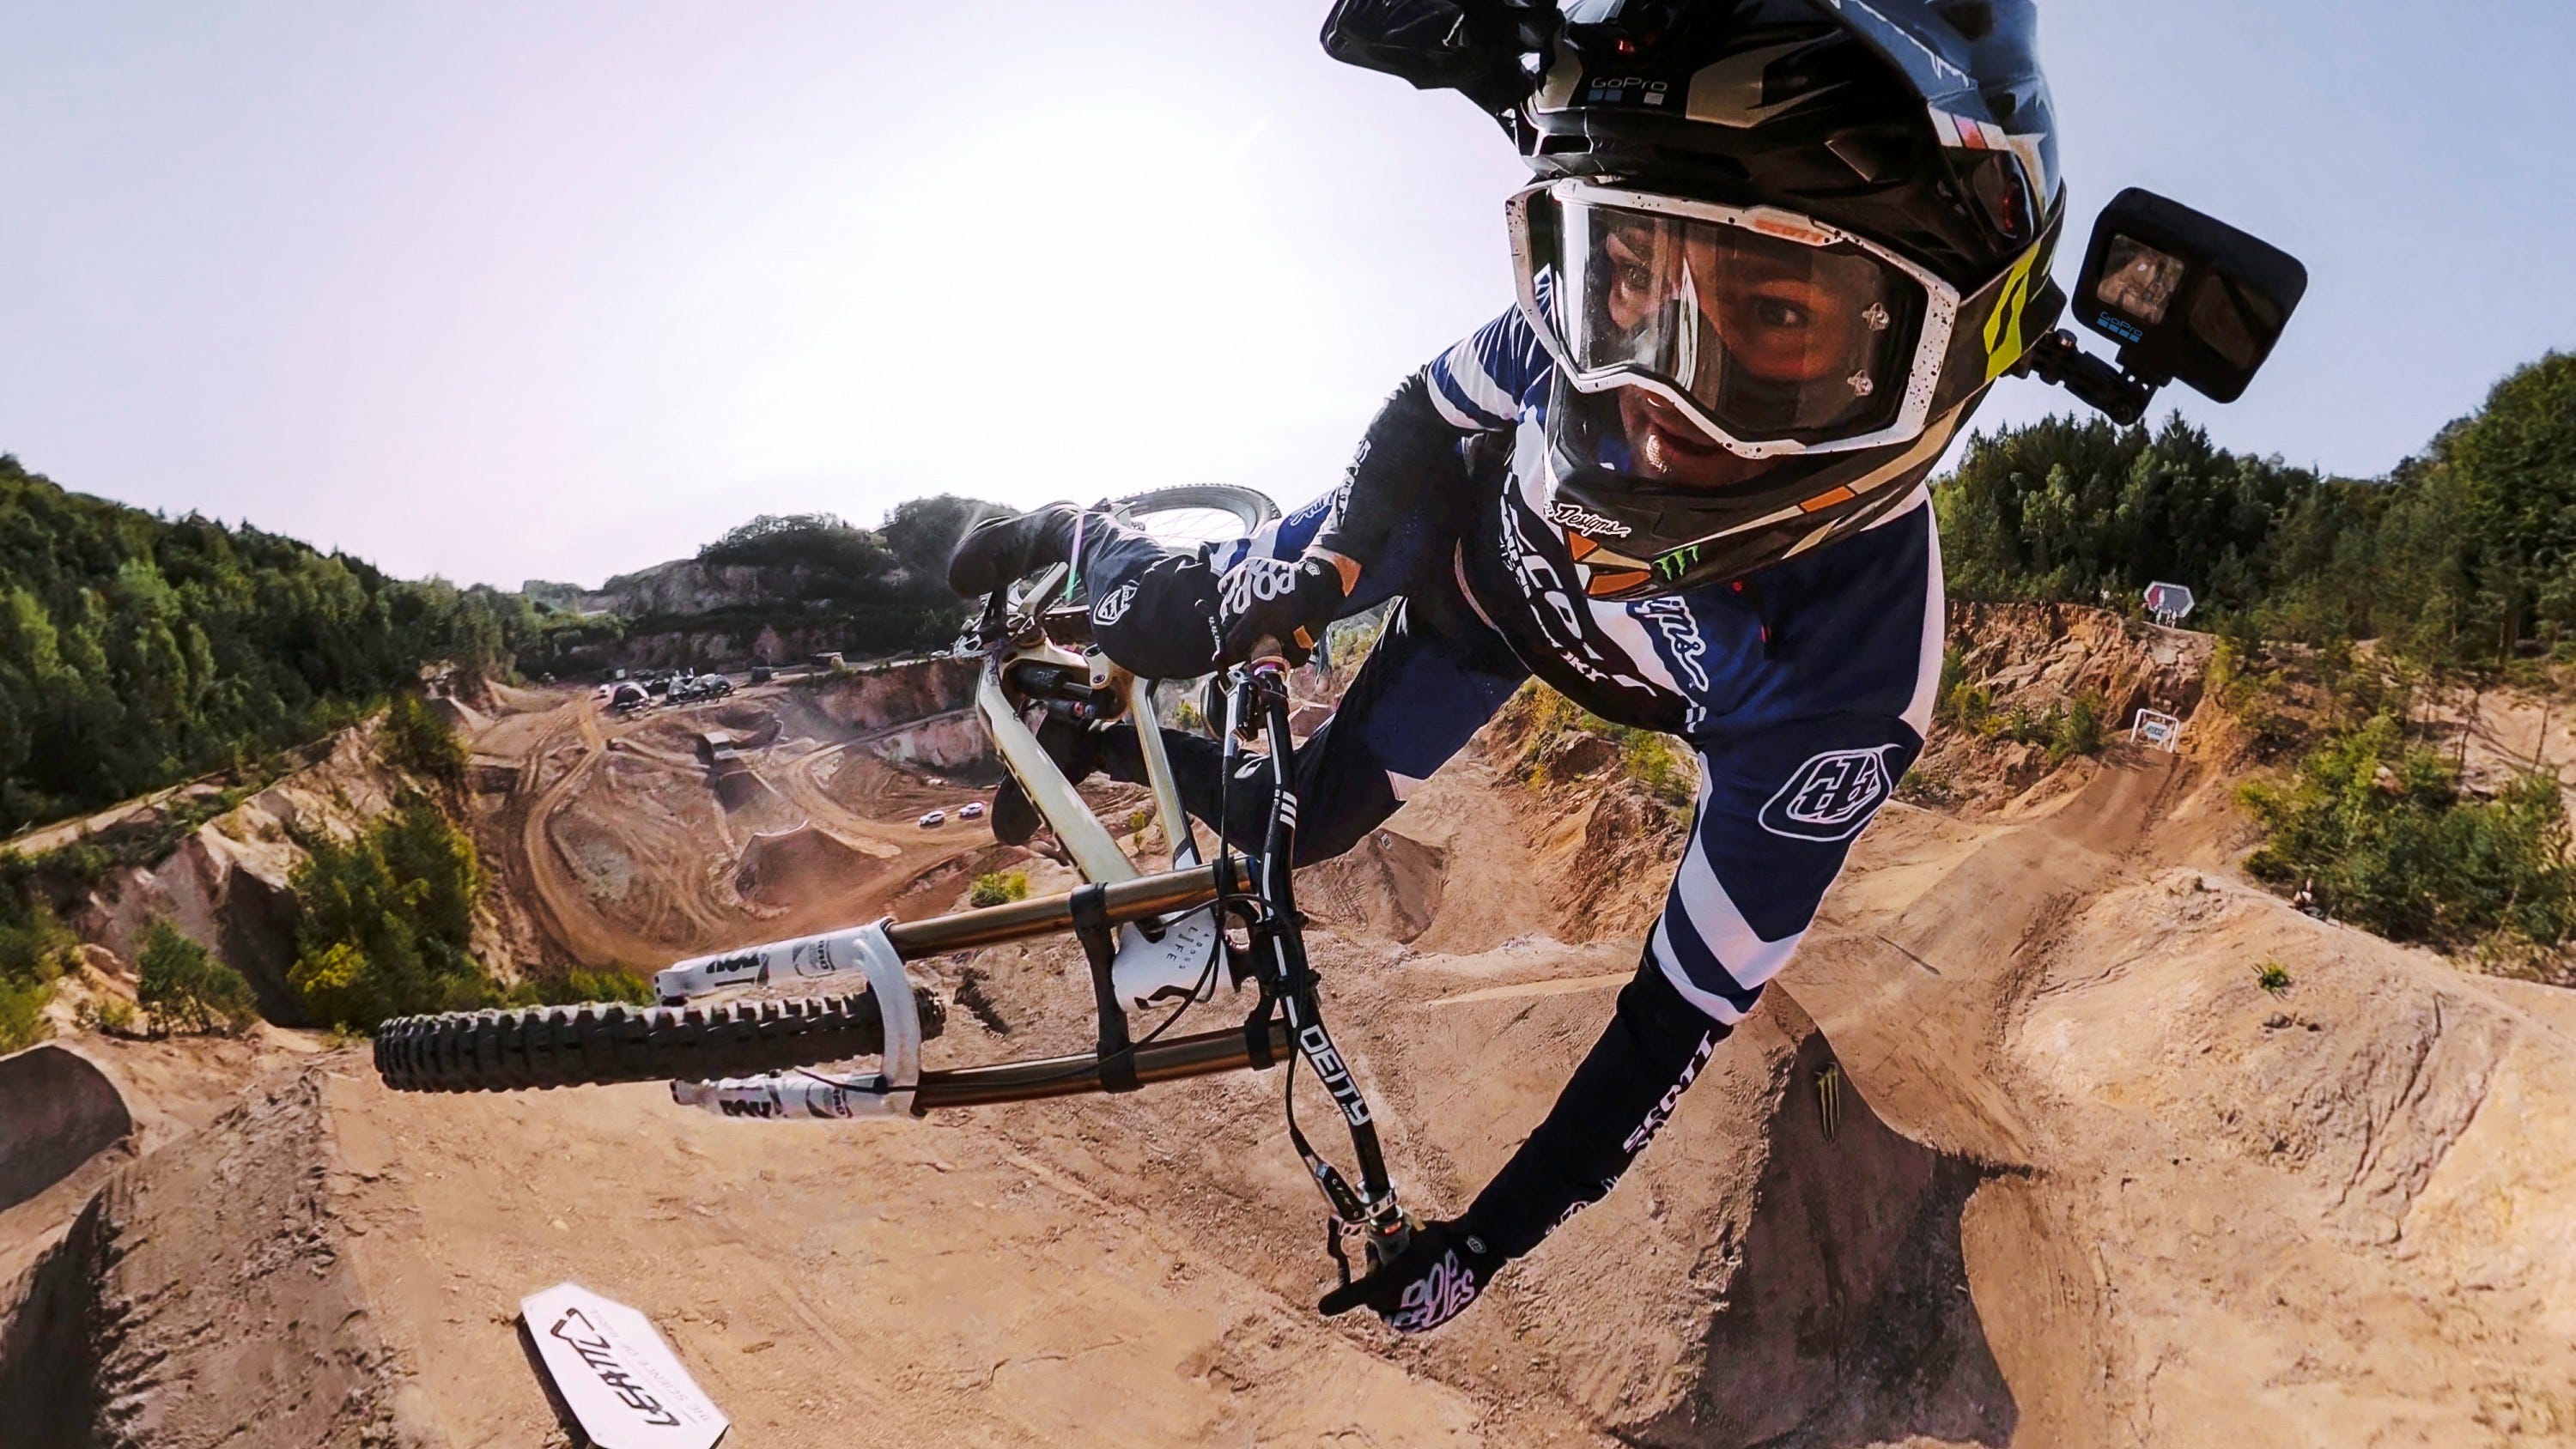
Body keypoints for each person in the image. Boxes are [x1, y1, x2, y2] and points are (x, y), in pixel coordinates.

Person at [950, 0, 2064, 1336]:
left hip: (1488, 612)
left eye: (1776, 316)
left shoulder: (1854, 687)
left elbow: (1669, 1027)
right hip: (1456, 547)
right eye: (1621, 277)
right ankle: (1085, 545)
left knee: (1297, 826)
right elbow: (1429, 411)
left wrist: (1488, 1242)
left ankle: (1074, 732)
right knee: (1201, 624)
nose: (1651, 401)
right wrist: (1325, 565)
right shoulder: (1839, 670)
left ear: (1950, 352)